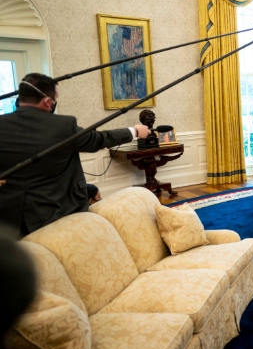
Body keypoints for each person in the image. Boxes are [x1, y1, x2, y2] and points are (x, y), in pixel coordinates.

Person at [0, 73, 151, 236]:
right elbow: (98, 140)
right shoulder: (63, 126)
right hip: (57, 215)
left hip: (12, 218)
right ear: (47, 102)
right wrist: (135, 131)